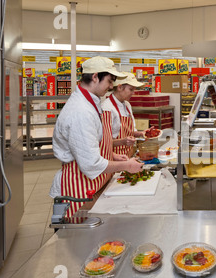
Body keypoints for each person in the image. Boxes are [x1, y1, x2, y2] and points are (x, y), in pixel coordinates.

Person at [50, 56, 144, 222]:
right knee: (77, 241)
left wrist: (112, 156)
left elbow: (90, 145)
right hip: (78, 188)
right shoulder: (81, 111)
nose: (111, 86)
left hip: (93, 184)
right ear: (95, 77)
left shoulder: (91, 103)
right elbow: (90, 164)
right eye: (109, 81)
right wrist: (126, 165)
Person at [101, 71, 147, 157]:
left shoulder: (127, 105)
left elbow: (131, 131)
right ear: (120, 87)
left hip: (128, 154)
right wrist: (122, 141)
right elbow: (103, 142)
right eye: (131, 89)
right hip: (113, 157)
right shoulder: (107, 108)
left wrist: (142, 133)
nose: (133, 93)